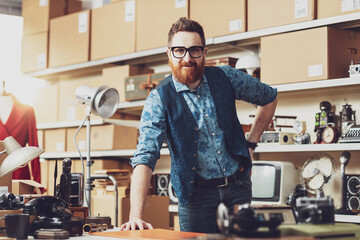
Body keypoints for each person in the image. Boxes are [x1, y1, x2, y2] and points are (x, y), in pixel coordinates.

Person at [120, 17, 278, 233]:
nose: (187, 58)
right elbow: (145, 157)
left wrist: (251, 144)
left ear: (204, 52)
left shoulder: (227, 76)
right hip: (195, 197)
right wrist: (135, 216)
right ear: (169, 54)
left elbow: (269, 98)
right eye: (179, 51)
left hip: (238, 188)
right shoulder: (159, 99)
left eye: (194, 50)